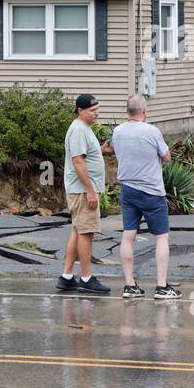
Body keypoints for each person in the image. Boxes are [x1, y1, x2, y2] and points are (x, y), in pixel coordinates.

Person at [111, 94, 179, 300]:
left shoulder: (118, 131)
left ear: (127, 112)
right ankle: (161, 286)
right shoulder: (152, 131)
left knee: (128, 234)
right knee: (161, 237)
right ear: (144, 112)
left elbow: (115, 150)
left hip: (128, 189)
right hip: (151, 191)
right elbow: (166, 157)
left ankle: (130, 286)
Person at [57, 93, 110, 294]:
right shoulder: (79, 129)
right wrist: (90, 191)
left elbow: (85, 155)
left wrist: (101, 150)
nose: (96, 113)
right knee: (86, 233)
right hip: (82, 191)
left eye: (97, 109)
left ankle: (67, 276)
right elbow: (78, 161)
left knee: (78, 230)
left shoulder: (83, 129)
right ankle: (86, 278)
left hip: (80, 190)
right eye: (92, 110)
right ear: (81, 111)